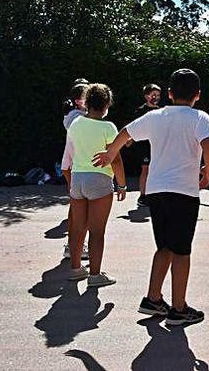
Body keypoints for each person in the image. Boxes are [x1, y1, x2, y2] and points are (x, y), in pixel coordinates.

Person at [94, 68, 209, 326]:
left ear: (169, 93)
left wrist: (109, 154)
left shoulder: (155, 116)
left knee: (164, 246)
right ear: (197, 95)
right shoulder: (200, 117)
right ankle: (179, 309)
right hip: (183, 191)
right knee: (182, 251)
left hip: (156, 191)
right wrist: (207, 173)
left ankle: (153, 298)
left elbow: (126, 132)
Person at [65, 83, 126, 288]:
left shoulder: (75, 124)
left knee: (77, 228)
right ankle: (95, 275)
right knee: (97, 231)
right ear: (107, 104)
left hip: (78, 177)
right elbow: (115, 159)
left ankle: (75, 269)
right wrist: (122, 185)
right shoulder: (108, 127)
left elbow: (73, 150)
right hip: (99, 179)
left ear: (87, 103)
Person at [61, 80, 89, 261]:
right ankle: (75, 247)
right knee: (80, 209)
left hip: (74, 165)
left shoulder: (78, 116)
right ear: (78, 100)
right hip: (76, 165)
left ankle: (73, 246)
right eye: (87, 96)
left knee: (76, 207)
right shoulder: (76, 118)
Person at [129, 83, 162, 206]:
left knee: (157, 170)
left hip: (158, 145)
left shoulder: (160, 111)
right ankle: (143, 195)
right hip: (144, 146)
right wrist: (130, 139)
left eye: (158, 95)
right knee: (146, 169)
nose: (156, 97)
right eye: (153, 95)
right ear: (146, 96)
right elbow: (134, 127)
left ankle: (155, 194)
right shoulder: (140, 111)